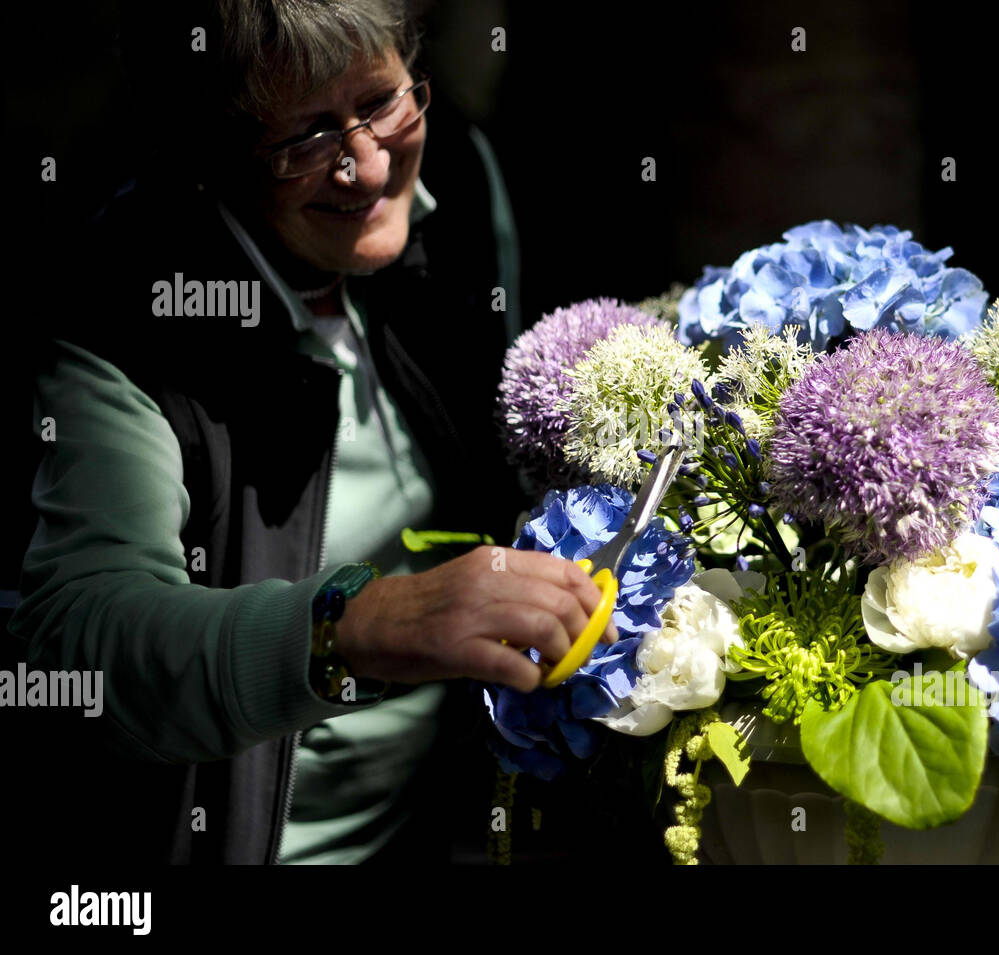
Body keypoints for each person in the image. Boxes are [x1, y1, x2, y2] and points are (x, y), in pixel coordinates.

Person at [5, 0, 616, 864]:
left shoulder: (468, 186)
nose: (365, 169)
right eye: (304, 139)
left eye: (381, 103)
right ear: (212, 154)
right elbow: (85, 642)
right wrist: (360, 624)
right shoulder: (125, 316)